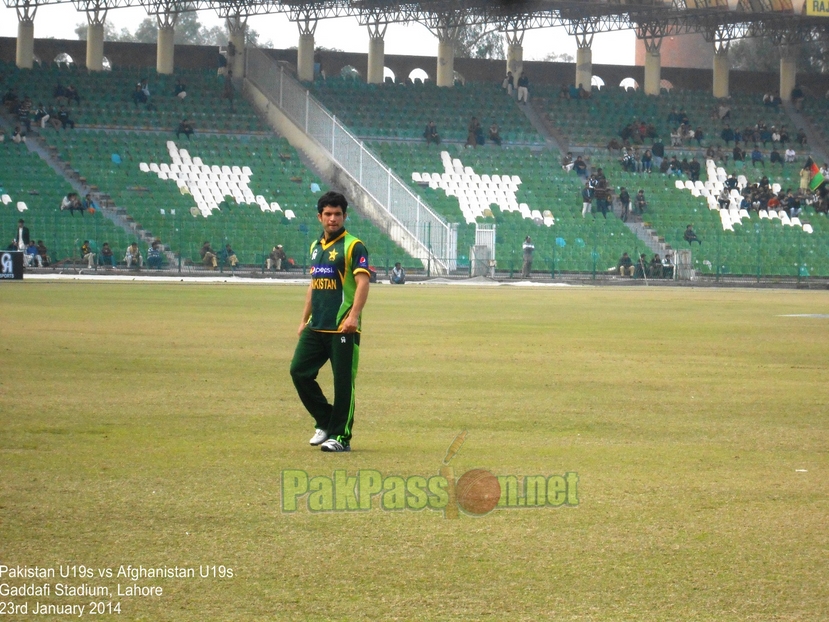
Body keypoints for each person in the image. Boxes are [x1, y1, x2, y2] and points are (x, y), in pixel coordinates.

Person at [290, 191, 370, 453]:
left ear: (345, 216)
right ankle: (325, 421)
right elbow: (313, 286)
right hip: (316, 326)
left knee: (343, 382)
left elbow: (362, 283)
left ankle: (341, 437)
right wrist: (303, 320)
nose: (333, 219)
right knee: (299, 371)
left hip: (342, 328)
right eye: (328, 214)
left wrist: (353, 316)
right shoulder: (316, 247)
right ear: (320, 217)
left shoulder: (354, 246)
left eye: (337, 214)